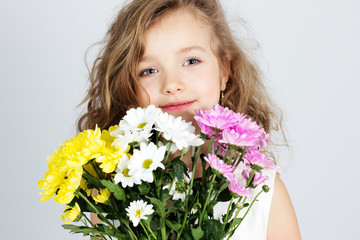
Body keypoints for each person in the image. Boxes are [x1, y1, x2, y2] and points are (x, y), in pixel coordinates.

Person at [78, 0, 301, 239]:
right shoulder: (111, 193)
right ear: (128, 88)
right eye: (149, 71)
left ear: (224, 72)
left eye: (191, 61)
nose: (172, 84)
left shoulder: (262, 192)